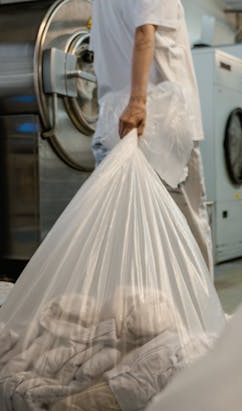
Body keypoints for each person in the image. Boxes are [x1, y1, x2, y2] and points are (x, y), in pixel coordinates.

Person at [89, 0, 213, 273]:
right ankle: (198, 309)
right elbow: (145, 33)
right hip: (161, 116)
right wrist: (137, 101)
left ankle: (137, 305)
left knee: (123, 227)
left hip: (114, 117)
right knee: (185, 224)